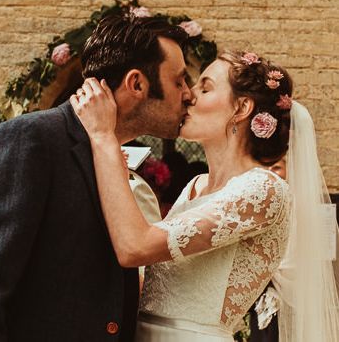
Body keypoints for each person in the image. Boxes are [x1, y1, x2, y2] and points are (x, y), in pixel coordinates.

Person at [0, 13, 192, 341]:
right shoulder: (27, 142)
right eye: (179, 81)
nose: (189, 94)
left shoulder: (107, 154)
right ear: (136, 83)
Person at [72, 51, 339, 341]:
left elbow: (135, 247)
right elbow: (153, 279)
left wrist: (103, 138)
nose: (189, 95)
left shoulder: (263, 189)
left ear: (242, 107)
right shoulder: (195, 186)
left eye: (205, 87)